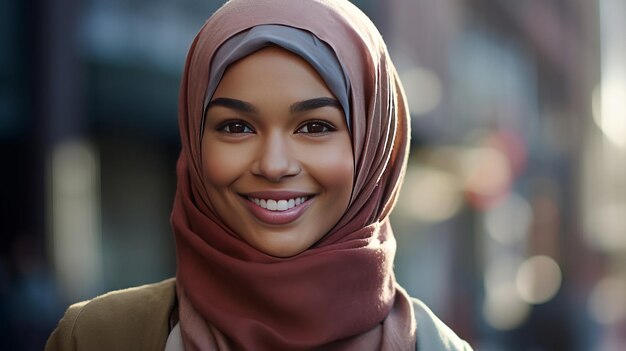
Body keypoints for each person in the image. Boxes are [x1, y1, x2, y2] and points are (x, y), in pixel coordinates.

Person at [46, 0, 473, 350]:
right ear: (195, 142)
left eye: (315, 127)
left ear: (375, 148)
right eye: (236, 127)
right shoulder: (98, 337)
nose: (272, 164)